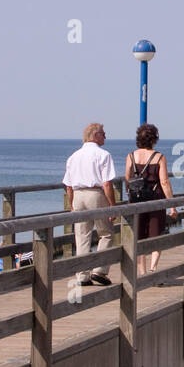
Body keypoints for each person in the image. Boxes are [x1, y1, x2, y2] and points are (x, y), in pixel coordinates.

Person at [63, 122, 118, 287]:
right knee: (106, 233)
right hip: (95, 193)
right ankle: (99, 271)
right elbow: (107, 183)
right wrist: (113, 206)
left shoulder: (73, 156)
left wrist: (72, 204)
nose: (105, 136)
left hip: (78, 195)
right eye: (103, 133)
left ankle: (82, 275)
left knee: (82, 236)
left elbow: (68, 185)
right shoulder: (103, 155)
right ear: (95, 135)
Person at [125, 123, 177, 275]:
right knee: (156, 234)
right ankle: (153, 268)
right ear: (154, 139)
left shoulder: (130, 156)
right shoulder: (159, 157)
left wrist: (132, 193)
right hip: (155, 200)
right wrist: (172, 205)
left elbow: (127, 179)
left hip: (136, 201)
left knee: (139, 236)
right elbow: (164, 182)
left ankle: (142, 272)